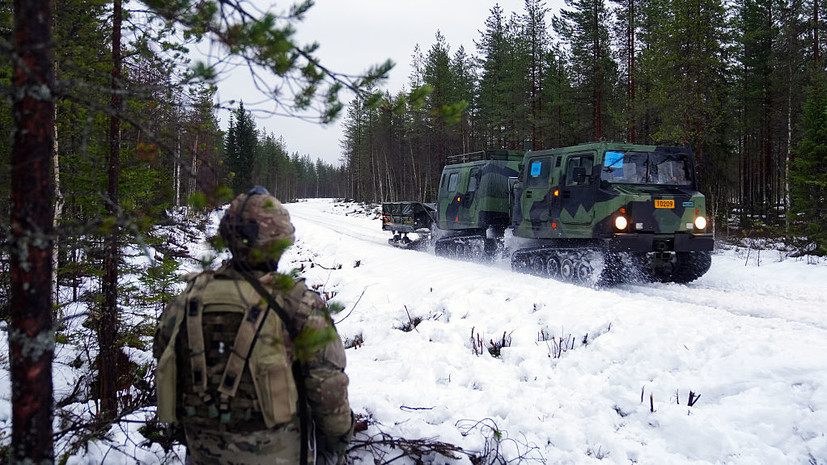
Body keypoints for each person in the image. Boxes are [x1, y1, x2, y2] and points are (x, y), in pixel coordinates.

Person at [154, 186, 354, 465]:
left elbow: (167, 369)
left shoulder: (188, 300)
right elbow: (329, 393)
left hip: (203, 454)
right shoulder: (300, 306)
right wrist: (338, 441)